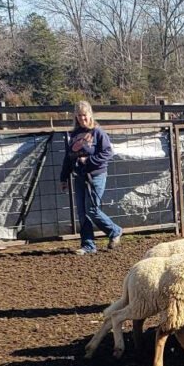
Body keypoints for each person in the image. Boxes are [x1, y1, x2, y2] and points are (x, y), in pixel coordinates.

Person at [59, 100, 123, 254]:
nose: (82, 119)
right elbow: (68, 158)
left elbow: (108, 153)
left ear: (90, 115)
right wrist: (64, 177)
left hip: (95, 175)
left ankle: (114, 230)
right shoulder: (74, 135)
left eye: (85, 115)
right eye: (79, 116)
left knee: (92, 209)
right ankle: (88, 245)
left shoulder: (98, 132)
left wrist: (89, 160)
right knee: (82, 212)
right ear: (76, 117)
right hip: (79, 176)